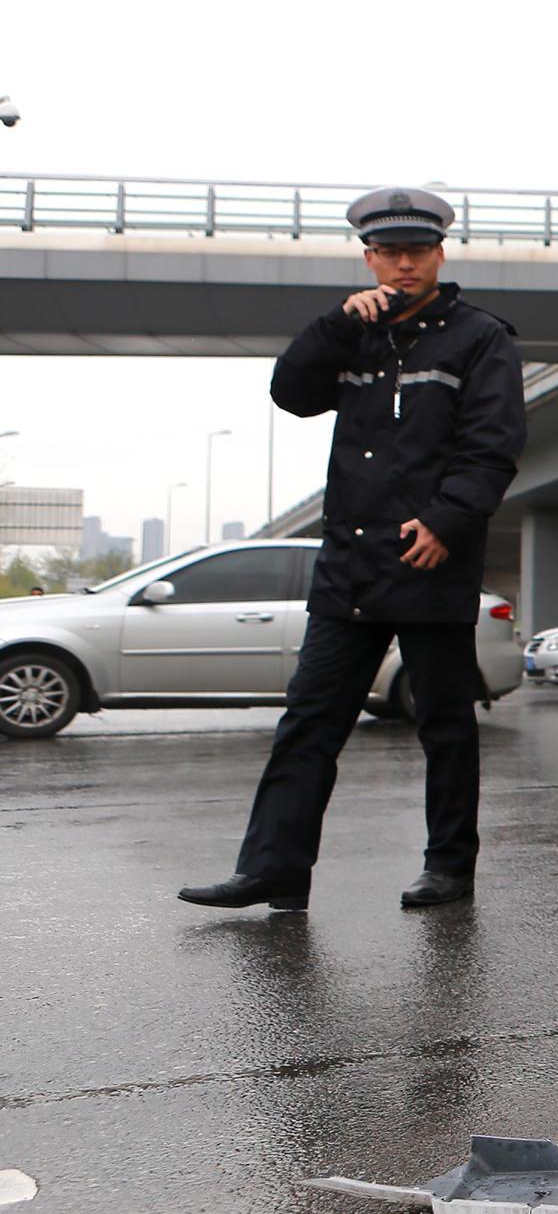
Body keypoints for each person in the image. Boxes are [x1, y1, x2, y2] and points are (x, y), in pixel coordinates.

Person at [179, 187, 526, 911]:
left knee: (444, 726)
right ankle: (274, 869)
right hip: (349, 568)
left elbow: (492, 448)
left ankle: (449, 867)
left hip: (430, 560)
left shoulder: (479, 337)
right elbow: (292, 394)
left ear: (439, 254)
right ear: (369, 257)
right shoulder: (354, 332)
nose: (404, 265)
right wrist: (335, 326)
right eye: (389, 253)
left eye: (417, 252)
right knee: (308, 723)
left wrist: (446, 522)